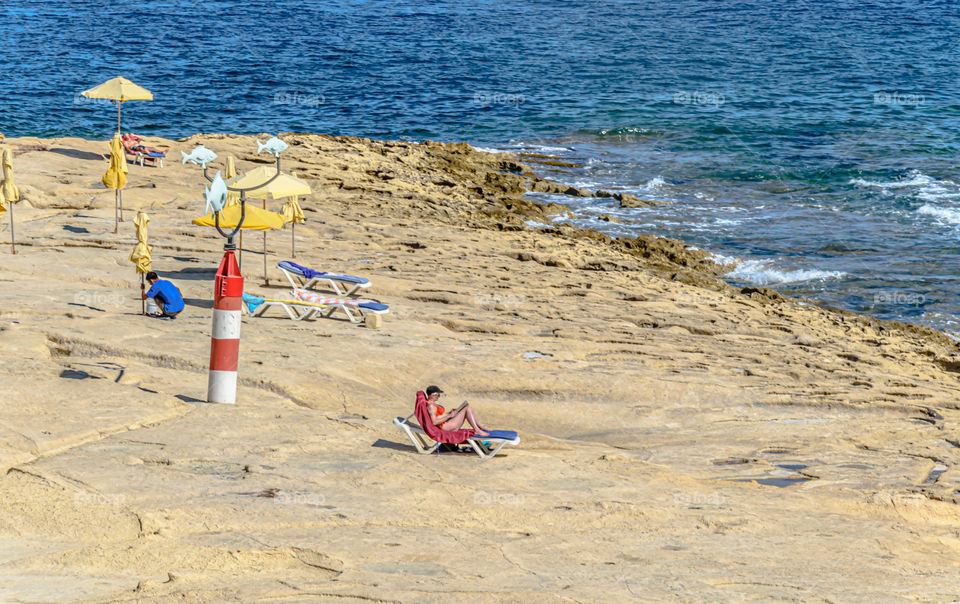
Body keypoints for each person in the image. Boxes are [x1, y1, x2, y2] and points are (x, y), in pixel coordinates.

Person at [424, 385, 489, 437]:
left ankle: (479, 426)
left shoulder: (431, 404)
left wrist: (449, 413)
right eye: (438, 395)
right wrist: (449, 416)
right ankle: (477, 429)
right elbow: (434, 422)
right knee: (467, 408)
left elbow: (438, 417)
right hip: (445, 427)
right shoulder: (431, 406)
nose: (439, 396)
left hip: (446, 424)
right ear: (432, 395)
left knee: (467, 407)